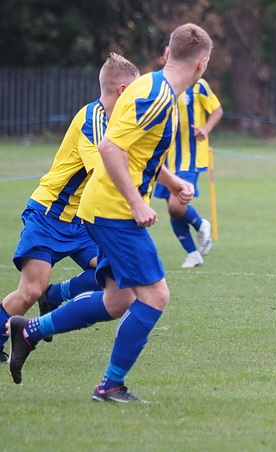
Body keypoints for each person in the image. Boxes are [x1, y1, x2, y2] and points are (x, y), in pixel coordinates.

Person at [6, 23, 213, 403]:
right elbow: (111, 150)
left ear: (167, 54)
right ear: (202, 65)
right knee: (155, 297)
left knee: (119, 300)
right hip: (113, 211)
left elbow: (134, 150)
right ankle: (110, 385)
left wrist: (171, 183)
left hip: (100, 208)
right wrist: (137, 202)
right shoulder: (158, 97)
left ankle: (29, 331)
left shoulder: (147, 86)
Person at [0, 53, 140, 363]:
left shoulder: (116, 122)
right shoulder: (92, 119)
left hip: (79, 222)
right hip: (48, 216)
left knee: (114, 275)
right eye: (135, 91)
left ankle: (57, 294)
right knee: (29, 292)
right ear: (121, 90)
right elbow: (102, 172)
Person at [153, 44, 223, 268]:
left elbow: (217, 110)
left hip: (189, 158)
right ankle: (192, 253)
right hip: (164, 159)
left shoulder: (198, 86)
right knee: (172, 211)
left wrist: (206, 129)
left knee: (176, 206)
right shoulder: (157, 85)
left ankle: (201, 223)